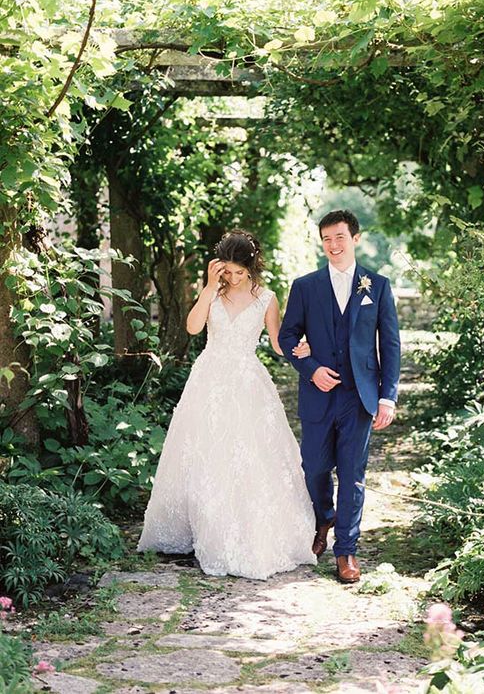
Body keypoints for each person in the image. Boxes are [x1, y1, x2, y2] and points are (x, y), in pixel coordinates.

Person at [137, 230, 317, 579]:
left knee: (247, 452)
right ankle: (203, 526)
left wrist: (303, 347)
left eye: (240, 272)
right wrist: (207, 287)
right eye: (228, 271)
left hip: (247, 380)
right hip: (209, 378)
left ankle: (245, 528)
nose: (234, 278)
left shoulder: (267, 298)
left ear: (252, 267)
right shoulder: (214, 293)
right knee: (205, 451)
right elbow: (192, 328)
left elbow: (279, 343)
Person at [278, 210, 401, 583]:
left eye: (340, 238)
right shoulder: (305, 286)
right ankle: (324, 517)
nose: (333, 245)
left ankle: (346, 551)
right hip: (318, 394)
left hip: (360, 396)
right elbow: (286, 337)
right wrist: (312, 367)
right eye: (327, 239)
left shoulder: (377, 286)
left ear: (355, 239)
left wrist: (388, 397)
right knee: (313, 467)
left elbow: (391, 345)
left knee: (352, 474)